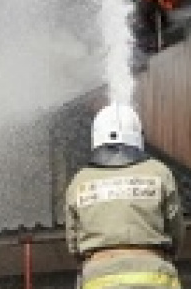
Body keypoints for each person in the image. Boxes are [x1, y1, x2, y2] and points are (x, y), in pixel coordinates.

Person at [65, 103, 184, 289]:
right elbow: (176, 231)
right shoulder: (159, 173)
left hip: (98, 278)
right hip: (155, 275)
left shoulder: (80, 181)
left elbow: (73, 243)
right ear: (138, 136)